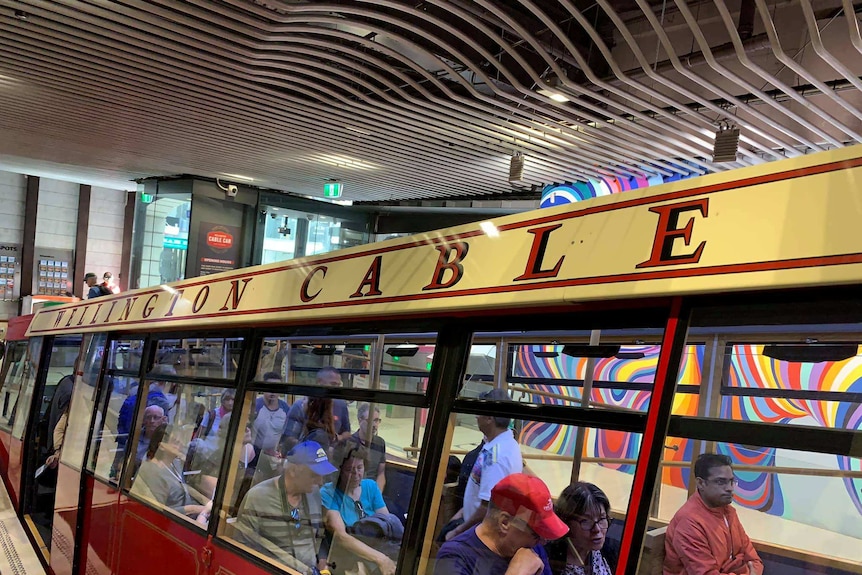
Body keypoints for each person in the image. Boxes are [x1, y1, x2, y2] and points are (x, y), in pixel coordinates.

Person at [233, 440, 337, 575]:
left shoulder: (313, 493)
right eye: (314, 475)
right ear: (294, 471)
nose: (320, 482)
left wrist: (322, 561)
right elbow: (242, 549)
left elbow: (318, 536)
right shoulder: (258, 497)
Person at [435, 473, 568, 575]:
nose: (543, 542)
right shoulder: (454, 557)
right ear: (505, 522)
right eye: (536, 534)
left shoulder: (533, 548)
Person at [663, 453, 763, 575]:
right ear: (700, 483)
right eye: (721, 482)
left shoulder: (728, 511)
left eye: (731, 481)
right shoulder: (689, 523)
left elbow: (753, 558)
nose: (730, 488)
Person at [445, 388, 522, 542]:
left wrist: (458, 531)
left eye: (479, 413)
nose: (476, 417)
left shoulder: (496, 456)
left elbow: (487, 507)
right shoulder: (500, 445)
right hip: (470, 523)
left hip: (478, 533)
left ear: (489, 418)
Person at [321, 440, 395, 575]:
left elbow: (386, 523)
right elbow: (341, 537)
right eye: (349, 470)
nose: (356, 475)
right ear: (339, 470)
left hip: (378, 550)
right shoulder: (328, 493)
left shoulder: (371, 486)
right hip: (348, 558)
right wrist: (381, 559)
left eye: (359, 468)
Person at [131, 424, 210, 523]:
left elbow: (182, 486)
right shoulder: (151, 472)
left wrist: (207, 502)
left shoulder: (174, 463)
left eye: (181, 441)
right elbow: (158, 511)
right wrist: (195, 509)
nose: (181, 445)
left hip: (191, 516)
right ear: (162, 446)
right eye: (176, 442)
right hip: (173, 523)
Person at [545, 482, 619, 575]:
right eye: (586, 521)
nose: (597, 529)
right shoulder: (548, 558)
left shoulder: (612, 550)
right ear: (566, 522)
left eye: (602, 519)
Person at [283, 367, 351, 451]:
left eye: (338, 385)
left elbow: (347, 433)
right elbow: (288, 439)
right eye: (333, 384)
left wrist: (337, 438)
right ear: (319, 382)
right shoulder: (299, 406)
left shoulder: (341, 405)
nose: (336, 389)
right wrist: (311, 448)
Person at [349, 402, 386, 492]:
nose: (374, 425)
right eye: (369, 421)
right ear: (359, 420)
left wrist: (377, 495)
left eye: (376, 420)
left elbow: (381, 474)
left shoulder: (380, 443)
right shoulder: (349, 443)